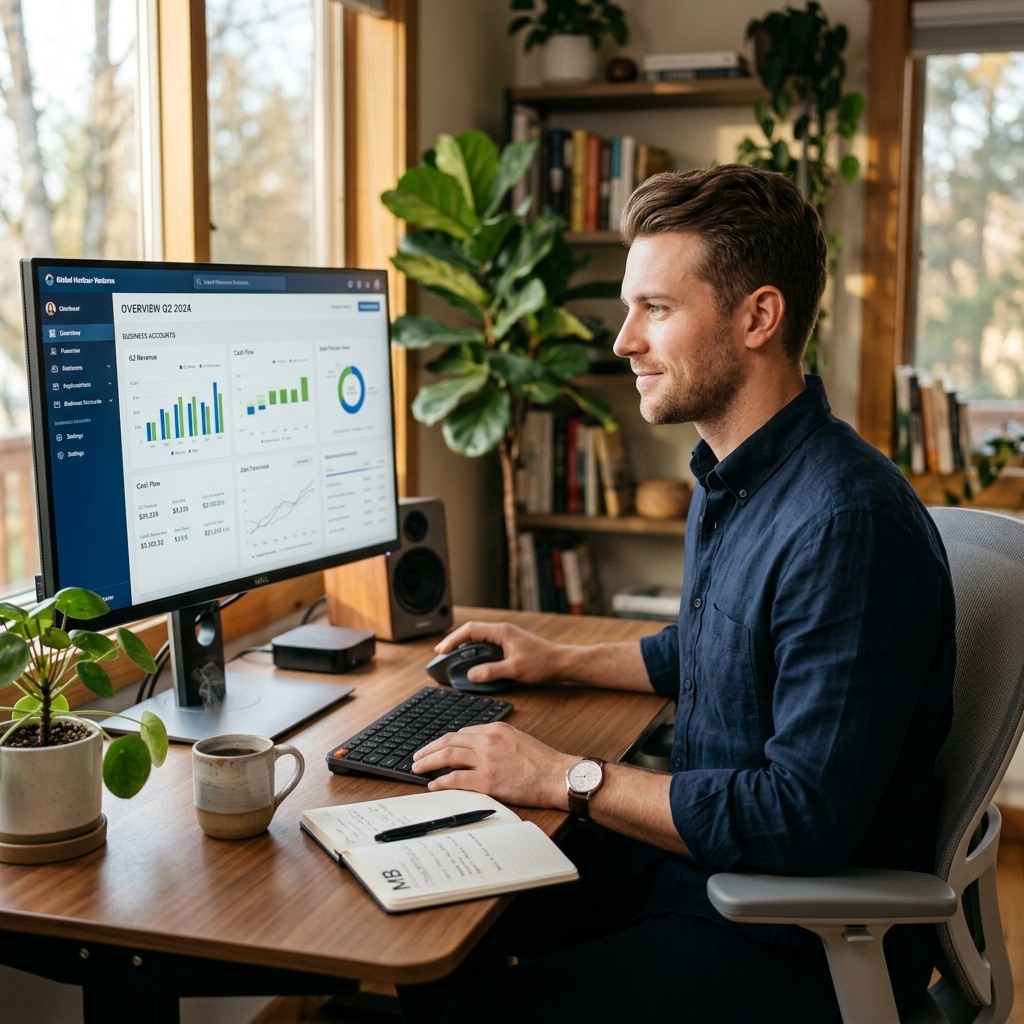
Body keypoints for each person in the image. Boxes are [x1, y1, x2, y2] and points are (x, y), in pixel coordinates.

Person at [399, 164, 955, 1024]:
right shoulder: (730, 476)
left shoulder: (847, 523)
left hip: (796, 938)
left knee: (461, 1002)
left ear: (758, 317)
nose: (624, 340)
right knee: (433, 918)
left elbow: (799, 818)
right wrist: (557, 660)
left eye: (655, 309)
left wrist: (565, 775)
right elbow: (712, 648)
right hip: (702, 869)